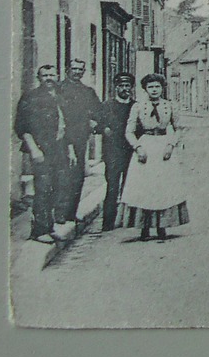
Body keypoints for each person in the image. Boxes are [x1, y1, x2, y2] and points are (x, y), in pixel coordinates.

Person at [118, 73, 189, 242]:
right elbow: (129, 131)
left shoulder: (170, 106)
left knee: (163, 186)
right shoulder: (138, 107)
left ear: (162, 88)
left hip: (163, 146)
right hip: (146, 146)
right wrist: (138, 147)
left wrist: (171, 145)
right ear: (145, 89)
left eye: (157, 86)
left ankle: (162, 227)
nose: (154, 90)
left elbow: (179, 128)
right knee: (145, 187)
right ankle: (144, 228)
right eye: (150, 87)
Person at [15, 63, 66, 244]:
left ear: (57, 76)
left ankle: (49, 226)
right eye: (45, 76)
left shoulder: (60, 97)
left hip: (58, 150)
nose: (49, 79)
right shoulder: (31, 98)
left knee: (56, 188)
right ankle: (38, 230)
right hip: (41, 150)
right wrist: (34, 149)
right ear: (39, 78)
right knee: (43, 189)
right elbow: (22, 127)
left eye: (52, 75)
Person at [55, 57, 101, 229]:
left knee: (77, 176)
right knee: (62, 174)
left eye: (80, 70)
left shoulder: (87, 91)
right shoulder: (58, 89)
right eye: (74, 69)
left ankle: (71, 213)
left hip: (80, 138)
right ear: (67, 69)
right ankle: (59, 213)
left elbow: (98, 112)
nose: (77, 72)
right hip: (60, 138)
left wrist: (94, 122)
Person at [99, 72, 136, 231]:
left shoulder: (136, 106)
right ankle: (108, 222)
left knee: (131, 186)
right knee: (112, 186)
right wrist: (104, 129)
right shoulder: (107, 106)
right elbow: (97, 123)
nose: (124, 89)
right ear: (116, 87)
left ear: (131, 88)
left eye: (127, 86)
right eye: (121, 86)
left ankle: (130, 221)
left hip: (130, 151)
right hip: (113, 152)